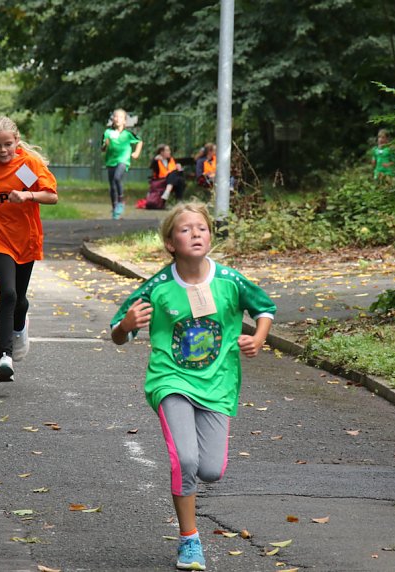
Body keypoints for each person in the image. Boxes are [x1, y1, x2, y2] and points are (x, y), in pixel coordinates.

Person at [110, 202, 275, 571]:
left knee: (211, 470)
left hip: (217, 383)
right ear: (170, 243)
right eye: (185, 229)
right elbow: (119, 333)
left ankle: (191, 508)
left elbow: (264, 308)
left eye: (201, 228)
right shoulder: (158, 287)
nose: (196, 234)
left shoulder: (229, 281)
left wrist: (259, 338)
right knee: (184, 459)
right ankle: (189, 541)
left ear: (210, 237)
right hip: (170, 380)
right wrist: (126, 326)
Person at [0, 116, 58, 382]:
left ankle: (20, 326)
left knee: (20, 300)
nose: (3, 151)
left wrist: (28, 195)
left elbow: (52, 196)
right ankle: (5, 358)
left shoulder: (26, 166)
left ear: (17, 142)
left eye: (8, 144)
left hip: (26, 238)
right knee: (7, 293)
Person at [102, 108, 143, 219]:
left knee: (117, 178)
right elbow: (103, 148)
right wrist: (105, 145)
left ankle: (121, 200)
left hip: (123, 160)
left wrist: (136, 153)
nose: (117, 119)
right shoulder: (108, 132)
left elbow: (139, 141)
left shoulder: (128, 134)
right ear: (113, 119)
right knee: (112, 186)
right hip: (111, 161)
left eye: (120, 117)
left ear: (124, 121)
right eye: (115, 116)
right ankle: (115, 208)